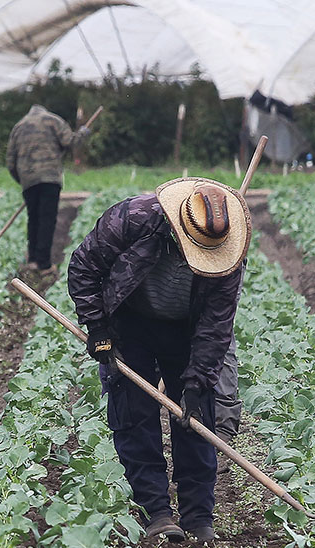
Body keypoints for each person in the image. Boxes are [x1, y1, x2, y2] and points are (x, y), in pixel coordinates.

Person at [68, 178, 250, 542]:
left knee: (195, 418)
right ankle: (156, 512)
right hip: (128, 319)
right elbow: (84, 268)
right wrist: (99, 327)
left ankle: (199, 517)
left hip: (186, 327)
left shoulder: (230, 248)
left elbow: (216, 324)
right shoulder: (132, 218)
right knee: (134, 415)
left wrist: (198, 383)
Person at [6, 104, 90, 275]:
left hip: (28, 178)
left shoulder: (19, 127)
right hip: (50, 177)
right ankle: (44, 264)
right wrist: (83, 133)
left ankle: (33, 260)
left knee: (33, 218)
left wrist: (22, 179)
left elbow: (10, 160)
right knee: (47, 218)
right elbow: (71, 141)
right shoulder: (53, 121)